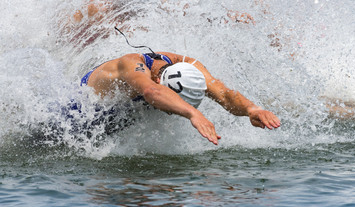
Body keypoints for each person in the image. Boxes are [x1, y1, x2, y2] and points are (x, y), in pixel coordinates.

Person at [80, 49, 281, 145]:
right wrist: (194, 114)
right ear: (160, 81)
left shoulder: (190, 65)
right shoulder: (132, 64)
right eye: (169, 108)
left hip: (121, 118)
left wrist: (252, 109)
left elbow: (226, 96)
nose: (170, 114)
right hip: (80, 115)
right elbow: (152, 92)